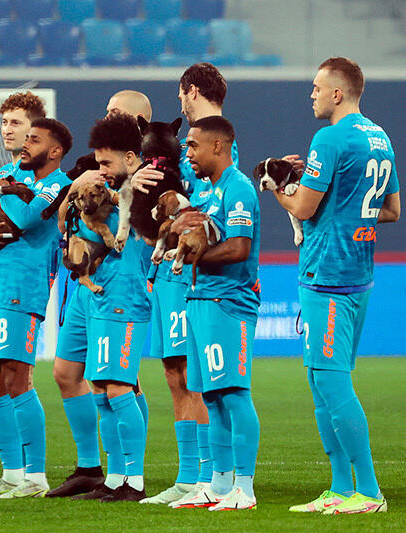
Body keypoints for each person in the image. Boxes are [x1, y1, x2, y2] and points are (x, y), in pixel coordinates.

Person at [272, 57, 399, 515]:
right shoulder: (380, 137)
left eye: (317, 87)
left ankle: (369, 492)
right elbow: (391, 211)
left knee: (331, 383)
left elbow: (303, 208)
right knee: (321, 382)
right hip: (359, 273)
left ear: (337, 93)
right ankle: (341, 488)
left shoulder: (329, 138)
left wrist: (275, 186)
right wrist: (347, 210)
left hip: (328, 275)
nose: (312, 94)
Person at [134, 63, 240, 505]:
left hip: (190, 274)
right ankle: (188, 475)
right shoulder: (178, 148)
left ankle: (209, 477)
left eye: (181, 94)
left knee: (194, 375)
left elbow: (209, 211)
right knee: (175, 371)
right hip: (166, 272)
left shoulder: (214, 144)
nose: (178, 101)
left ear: (191, 90)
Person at [48, 90, 152, 498]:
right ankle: (112, 477)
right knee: (99, 386)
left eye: (107, 164)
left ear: (132, 157)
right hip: (94, 291)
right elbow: (64, 223)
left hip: (121, 293)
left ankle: (134, 480)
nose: (100, 170)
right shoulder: (100, 184)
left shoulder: (145, 184)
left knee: (119, 387)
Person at [0, 117, 73, 499]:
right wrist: (0, 199)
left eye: (35, 139)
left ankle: (36, 475)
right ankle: (11, 473)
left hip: (21, 287)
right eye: (26, 138)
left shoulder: (57, 185)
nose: (25, 144)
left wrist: (2, 189)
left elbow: (24, 218)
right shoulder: (16, 178)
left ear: (55, 151)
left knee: (16, 377)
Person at [164, 116, 260, 511]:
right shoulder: (208, 192)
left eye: (193, 145)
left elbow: (238, 248)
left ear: (217, 146)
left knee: (234, 395)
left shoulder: (238, 189)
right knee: (212, 396)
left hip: (228, 303)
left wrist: (190, 258)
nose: (187, 153)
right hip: (200, 300)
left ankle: (245, 488)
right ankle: (219, 485)